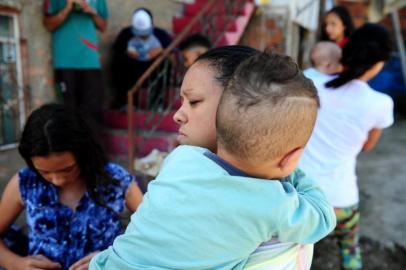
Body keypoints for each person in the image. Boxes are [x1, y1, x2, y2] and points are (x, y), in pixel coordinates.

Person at [89, 50, 336, 269]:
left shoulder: (181, 158)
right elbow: (323, 217)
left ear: (230, 101)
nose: (177, 115)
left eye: (194, 102)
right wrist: (288, 165)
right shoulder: (275, 203)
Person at [0, 104, 144, 270]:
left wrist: (111, 258)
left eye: (67, 169)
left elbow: (155, 234)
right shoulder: (25, 182)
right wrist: (14, 263)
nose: (58, 180)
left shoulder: (115, 180)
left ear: (83, 153)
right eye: (44, 172)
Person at [299, 23, 394, 270]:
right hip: (341, 200)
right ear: (378, 63)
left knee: (291, 254)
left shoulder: (310, 81)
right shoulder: (380, 104)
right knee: (350, 250)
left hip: (300, 196)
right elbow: (367, 146)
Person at [43, 0, 108, 124]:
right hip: (65, 63)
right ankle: (71, 143)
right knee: (68, 112)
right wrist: (67, 8)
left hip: (91, 62)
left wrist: (92, 13)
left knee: (93, 113)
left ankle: (92, 143)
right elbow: (48, 25)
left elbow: (103, 26)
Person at [111, 8, 172, 109]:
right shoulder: (126, 34)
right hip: (132, 71)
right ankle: (125, 102)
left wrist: (161, 52)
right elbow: (117, 50)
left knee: (164, 63)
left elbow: (173, 57)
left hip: (153, 71)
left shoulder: (161, 35)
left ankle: (156, 103)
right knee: (119, 62)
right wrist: (127, 53)